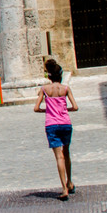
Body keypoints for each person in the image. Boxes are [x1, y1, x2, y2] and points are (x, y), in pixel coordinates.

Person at [33, 58, 75, 200]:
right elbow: (75, 107)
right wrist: (64, 109)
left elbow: (36, 108)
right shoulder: (66, 89)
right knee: (67, 153)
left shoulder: (44, 89)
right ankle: (70, 182)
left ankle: (64, 189)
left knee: (59, 157)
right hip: (65, 123)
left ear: (49, 76)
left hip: (51, 125)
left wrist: (48, 111)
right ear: (61, 75)